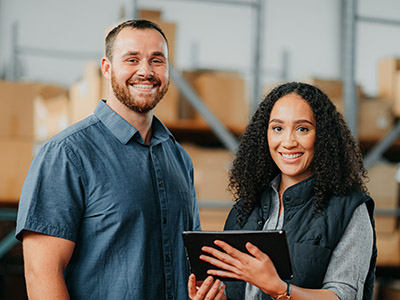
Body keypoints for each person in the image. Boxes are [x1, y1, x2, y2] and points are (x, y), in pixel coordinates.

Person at [16, 19, 201, 300]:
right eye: (132, 59)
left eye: (157, 60)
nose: (146, 71)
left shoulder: (179, 158)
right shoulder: (67, 153)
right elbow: (42, 273)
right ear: (107, 67)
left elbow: (189, 259)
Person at [188, 82, 377, 300]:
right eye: (278, 128)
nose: (288, 142)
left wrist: (279, 289)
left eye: (302, 129)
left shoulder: (350, 209)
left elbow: (345, 295)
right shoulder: (246, 208)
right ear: (264, 135)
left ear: (323, 137)